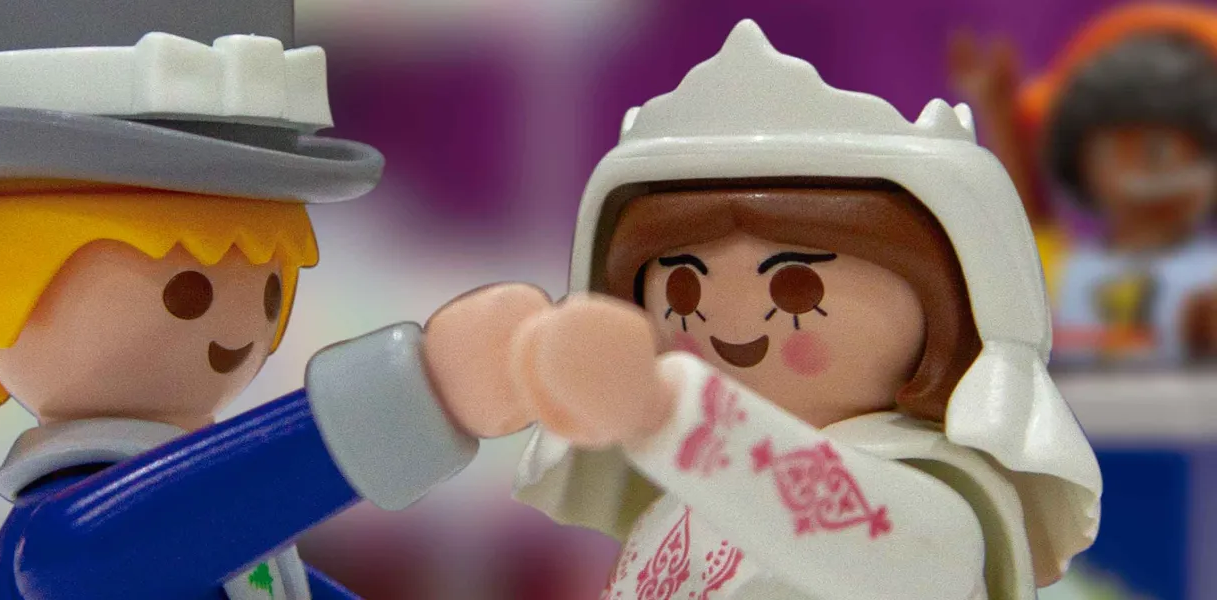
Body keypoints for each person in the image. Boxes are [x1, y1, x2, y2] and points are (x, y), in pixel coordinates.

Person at [433, 20, 1103, 599]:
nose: (730, 324)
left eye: (796, 290)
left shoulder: (931, 506)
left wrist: (665, 409)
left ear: (945, 303)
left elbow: (869, 543)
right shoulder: (681, 502)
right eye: (684, 290)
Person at [0, 2, 539, 598]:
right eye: (187, 294)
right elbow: (99, 548)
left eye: (270, 290)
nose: (238, 328)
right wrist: (419, 393)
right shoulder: (60, 541)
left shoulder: (220, 523)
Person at [950, 4, 1217, 364]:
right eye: (1128, 146)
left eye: (1189, 149)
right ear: (1081, 156)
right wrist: (999, 114)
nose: (1158, 167)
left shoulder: (1208, 275)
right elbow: (1024, 228)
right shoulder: (1062, 273)